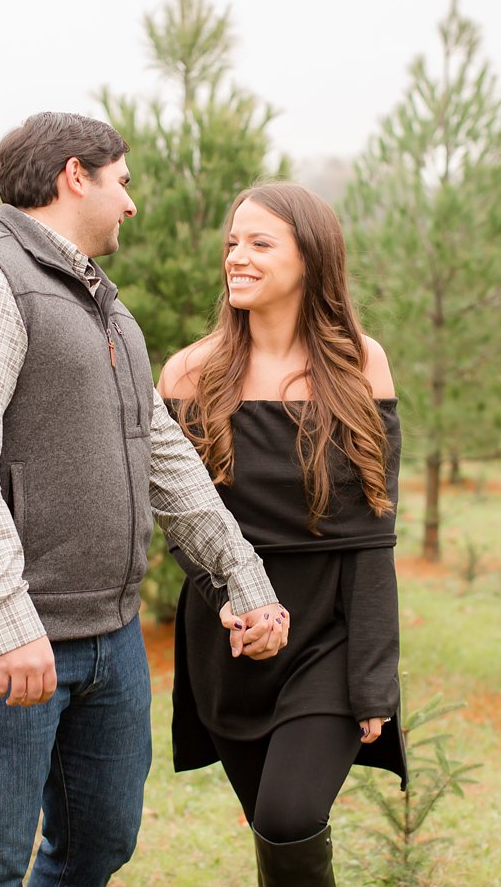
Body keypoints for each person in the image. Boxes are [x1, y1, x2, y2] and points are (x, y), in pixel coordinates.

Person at [0, 112, 291, 887]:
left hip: (107, 640)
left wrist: (242, 576)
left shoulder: (104, 306)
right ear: (72, 176)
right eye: (122, 180)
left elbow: (166, 460)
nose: (131, 202)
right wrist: (9, 624)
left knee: (99, 844)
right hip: (0, 643)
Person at [159, 182, 406, 887]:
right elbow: (182, 520)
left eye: (260, 243)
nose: (237, 256)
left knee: (292, 813)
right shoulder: (189, 372)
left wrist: (372, 678)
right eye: (233, 242)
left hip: (327, 632)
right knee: (275, 834)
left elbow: (372, 531)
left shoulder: (360, 364)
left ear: (311, 258)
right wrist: (233, 601)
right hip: (231, 636)